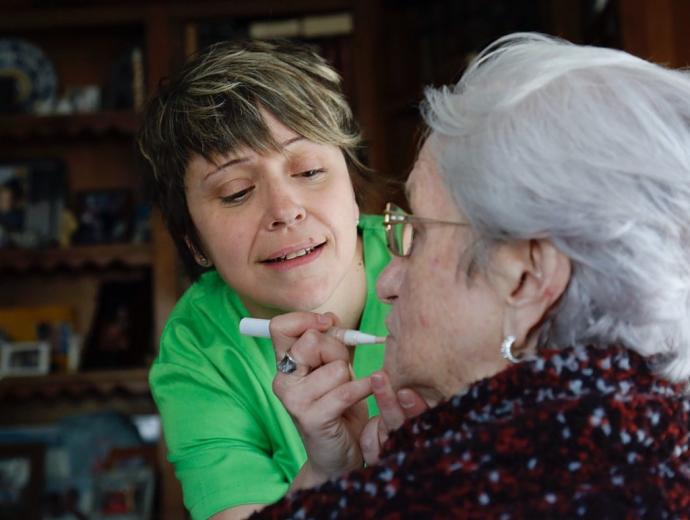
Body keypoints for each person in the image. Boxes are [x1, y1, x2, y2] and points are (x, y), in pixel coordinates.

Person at [256, 33, 690, 518]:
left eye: (416, 233)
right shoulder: (659, 442)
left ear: (524, 280)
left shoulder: (439, 500)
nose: (387, 282)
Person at [137, 39, 392, 520]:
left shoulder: (434, 259)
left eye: (311, 170)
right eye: (236, 192)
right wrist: (325, 471)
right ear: (193, 241)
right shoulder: (198, 349)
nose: (284, 210)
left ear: (353, 187)